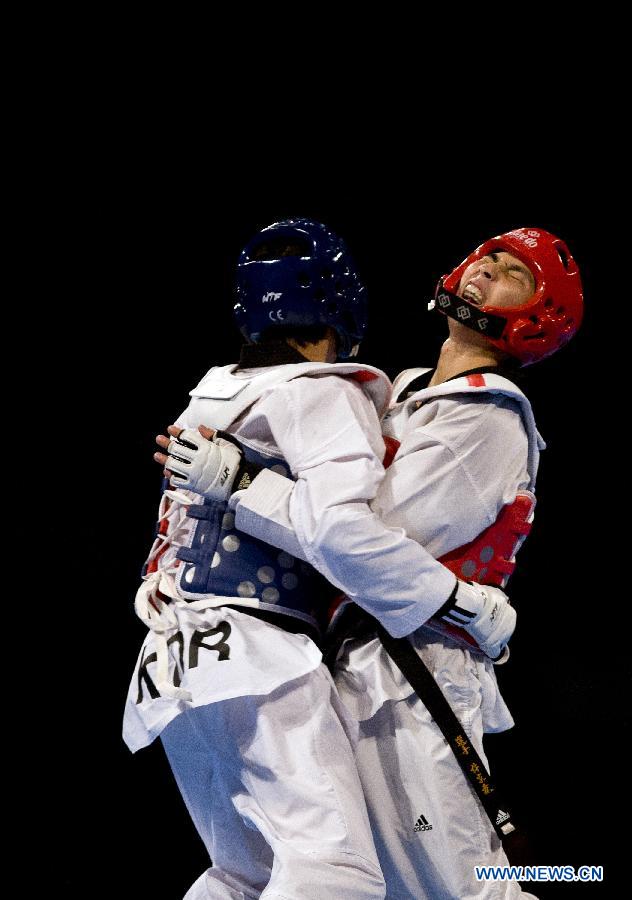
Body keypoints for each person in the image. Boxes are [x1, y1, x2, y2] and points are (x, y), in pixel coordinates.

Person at [172, 227, 583, 898]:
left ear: (538, 316)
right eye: (486, 258)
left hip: (417, 668)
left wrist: (246, 486)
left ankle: (585, 875)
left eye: (511, 274)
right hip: (352, 659)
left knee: (467, 888)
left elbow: (357, 542)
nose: (485, 273)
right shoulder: (405, 392)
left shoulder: (491, 416)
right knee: (337, 875)